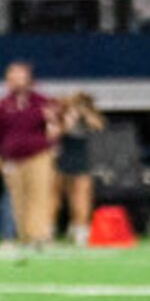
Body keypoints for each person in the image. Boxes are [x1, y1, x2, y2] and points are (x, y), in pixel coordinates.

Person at [0, 62, 59, 251]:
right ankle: (25, 236)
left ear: (28, 79)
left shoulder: (42, 102)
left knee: (39, 194)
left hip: (38, 155)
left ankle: (39, 234)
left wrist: (53, 129)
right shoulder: (3, 105)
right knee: (18, 198)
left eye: (20, 77)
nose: (16, 81)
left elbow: (54, 127)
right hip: (13, 158)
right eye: (12, 78)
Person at [55, 93, 102, 245]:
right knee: (57, 197)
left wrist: (84, 113)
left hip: (81, 156)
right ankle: (50, 228)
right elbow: (59, 132)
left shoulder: (88, 115)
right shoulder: (62, 115)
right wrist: (68, 116)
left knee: (81, 196)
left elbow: (98, 125)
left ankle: (80, 228)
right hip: (63, 154)